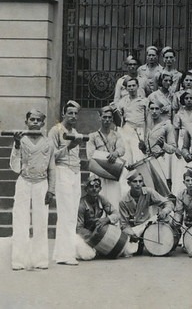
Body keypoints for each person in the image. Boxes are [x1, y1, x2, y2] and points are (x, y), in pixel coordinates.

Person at [10, 109, 55, 271]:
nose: (35, 122)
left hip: (41, 184)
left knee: (41, 221)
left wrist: (51, 189)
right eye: (32, 120)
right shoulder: (21, 140)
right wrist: (16, 145)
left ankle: (40, 259)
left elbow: (52, 168)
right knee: (20, 220)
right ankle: (18, 260)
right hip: (24, 182)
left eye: (38, 120)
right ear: (26, 122)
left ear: (43, 123)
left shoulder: (49, 142)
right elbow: (15, 168)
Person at [49, 100, 83, 265]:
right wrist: (68, 147)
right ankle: (65, 254)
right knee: (66, 213)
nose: (73, 116)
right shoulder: (55, 131)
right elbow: (50, 157)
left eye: (76, 113)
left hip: (75, 173)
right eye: (70, 113)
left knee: (72, 213)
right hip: (62, 171)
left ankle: (62, 252)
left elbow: (76, 156)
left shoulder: (75, 132)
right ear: (64, 114)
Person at [118, 171, 174, 256]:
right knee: (129, 252)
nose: (138, 184)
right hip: (134, 230)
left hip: (148, 225)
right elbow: (124, 225)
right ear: (129, 183)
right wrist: (131, 233)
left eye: (140, 181)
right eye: (135, 182)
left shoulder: (149, 192)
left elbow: (168, 203)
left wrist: (164, 211)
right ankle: (140, 243)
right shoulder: (123, 201)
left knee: (168, 217)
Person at [86, 105, 126, 207]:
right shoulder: (92, 136)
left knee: (113, 198)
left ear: (112, 119)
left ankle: (113, 220)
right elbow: (90, 155)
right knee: (98, 198)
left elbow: (122, 149)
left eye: (109, 117)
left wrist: (116, 153)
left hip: (112, 171)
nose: (107, 120)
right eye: (104, 117)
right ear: (100, 118)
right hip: (98, 171)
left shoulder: (117, 135)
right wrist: (105, 157)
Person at [74, 174, 121, 261]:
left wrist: (107, 219)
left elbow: (116, 214)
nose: (94, 189)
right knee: (88, 255)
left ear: (100, 189)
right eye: (91, 186)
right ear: (86, 189)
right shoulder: (81, 204)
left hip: (97, 233)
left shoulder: (102, 199)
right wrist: (94, 236)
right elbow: (79, 228)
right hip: (83, 235)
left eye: (97, 186)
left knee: (124, 250)